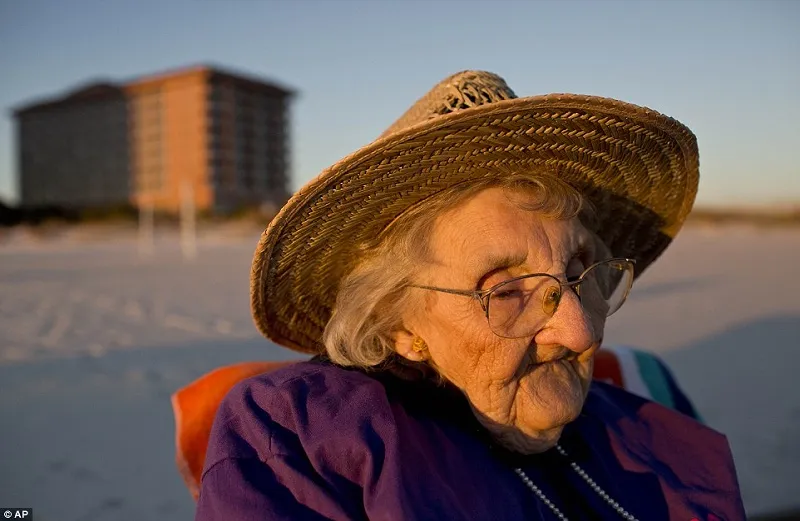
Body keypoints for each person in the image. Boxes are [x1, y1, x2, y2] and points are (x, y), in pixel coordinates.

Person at [195, 71, 745, 520]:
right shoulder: (303, 432)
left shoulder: (656, 431)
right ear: (399, 327)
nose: (581, 331)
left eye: (582, 274)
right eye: (506, 291)